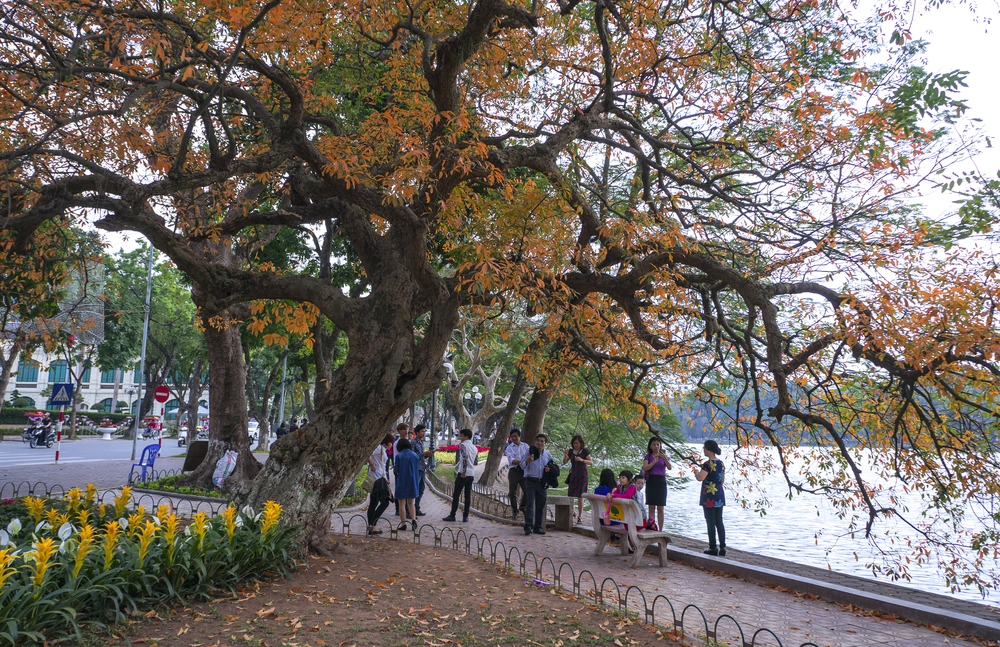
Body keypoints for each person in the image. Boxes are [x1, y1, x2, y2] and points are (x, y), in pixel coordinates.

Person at [693, 439, 726, 556]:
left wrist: (696, 472)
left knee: (710, 522)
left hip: (708, 496)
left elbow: (700, 478)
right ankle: (723, 547)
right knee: (719, 521)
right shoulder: (721, 463)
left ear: (708, 450)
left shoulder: (707, 464)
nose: (703, 450)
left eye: (704, 448)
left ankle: (713, 547)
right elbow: (722, 480)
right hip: (719, 495)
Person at [522, 433, 553, 535]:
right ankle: (528, 526)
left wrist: (549, 469)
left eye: (542, 441)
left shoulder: (548, 455)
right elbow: (522, 466)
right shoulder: (529, 452)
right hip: (531, 481)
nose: (539, 443)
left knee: (541, 505)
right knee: (530, 504)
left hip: (542, 483)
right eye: (538, 440)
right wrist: (528, 460)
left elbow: (553, 467)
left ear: (545, 443)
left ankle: (538, 527)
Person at [443, 428, 477, 522]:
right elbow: (475, 461)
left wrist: (464, 471)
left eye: (461, 436)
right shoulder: (474, 447)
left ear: (466, 437)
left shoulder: (463, 445)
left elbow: (465, 457)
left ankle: (452, 515)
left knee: (456, 495)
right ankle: (465, 516)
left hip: (463, 473)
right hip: (471, 474)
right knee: (467, 496)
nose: (459, 437)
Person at [641, 436, 672, 532]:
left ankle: (661, 529)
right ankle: (652, 527)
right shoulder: (648, 456)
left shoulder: (663, 455)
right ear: (650, 446)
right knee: (651, 507)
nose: (656, 446)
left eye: (657, 444)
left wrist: (665, 459)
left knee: (660, 507)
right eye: (654, 445)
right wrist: (653, 462)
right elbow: (645, 468)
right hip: (651, 481)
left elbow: (669, 467)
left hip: (661, 481)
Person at [366, 434, 394, 535]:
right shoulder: (378, 448)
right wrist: (372, 465)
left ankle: (371, 527)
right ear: (386, 442)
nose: (391, 445)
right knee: (385, 501)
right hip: (377, 478)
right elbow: (366, 454)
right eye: (391, 442)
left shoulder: (382, 449)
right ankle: (372, 526)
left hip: (379, 477)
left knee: (374, 503)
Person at [562, 434, 593, 525]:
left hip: (583, 475)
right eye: (574, 443)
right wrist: (565, 455)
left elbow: (591, 462)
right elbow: (564, 462)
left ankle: (580, 516)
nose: (575, 445)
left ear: (581, 443)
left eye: (577, 443)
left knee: (580, 495)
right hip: (574, 475)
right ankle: (573, 511)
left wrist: (582, 460)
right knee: (570, 495)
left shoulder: (585, 451)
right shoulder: (571, 452)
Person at [393, 438, 420, 531]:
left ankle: (403, 523)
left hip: (402, 481)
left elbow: (396, 470)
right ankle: (413, 519)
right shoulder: (415, 456)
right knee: (411, 503)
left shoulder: (399, 456)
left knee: (401, 504)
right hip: (413, 481)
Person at [504, 428, 529, 519]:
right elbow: (512, 461)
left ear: (519, 436)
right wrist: (523, 461)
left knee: (527, 491)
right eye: (512, 437)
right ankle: (515, 510)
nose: (514, 438)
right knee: (512, 492)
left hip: (523, 471)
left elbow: (529, 457)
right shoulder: (509, 448)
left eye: (516, 436)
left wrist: (525, 461)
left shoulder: (526, 446)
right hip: (514, 471)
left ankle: (522, 506)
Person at [411, 424, 431, 516]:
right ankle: (410, 509)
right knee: (414, 489)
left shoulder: (422, 442)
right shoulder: (413, 442)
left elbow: (421, 456)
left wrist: (426, 455)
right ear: (417, 432)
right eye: (422, 431)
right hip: (416, 469)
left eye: (424, 431)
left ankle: (417, 508)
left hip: (422, 468)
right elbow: (413, 456)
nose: (424, 433)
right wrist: (423, 454)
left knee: (421, 489)